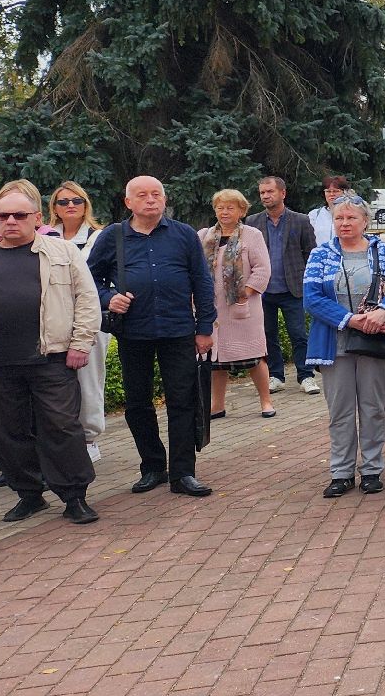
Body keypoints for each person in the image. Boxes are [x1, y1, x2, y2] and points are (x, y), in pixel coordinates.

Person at [0, 181, 102, 524]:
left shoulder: (63, 253)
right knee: (9, 434)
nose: (9, 221)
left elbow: (87, 299)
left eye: (18, 215)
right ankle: (29, 494)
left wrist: (80, 342)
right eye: (2, 215)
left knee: (61, 428)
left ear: (37, 217)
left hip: (52, 358)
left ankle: (74, 497)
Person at [87, 175, 217, 497]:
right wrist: (108, 298)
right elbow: (89, 278)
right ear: (128, 202)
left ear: (164, 198)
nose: (150, 200)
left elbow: (202, 281)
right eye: (142, 195)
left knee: (183, 402)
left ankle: (183, 473)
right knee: (137, 404)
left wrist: (204, 328)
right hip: (133, 332)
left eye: (156, 194)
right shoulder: (112, 236)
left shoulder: (184, 234)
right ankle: (153, 467)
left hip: (178, 331)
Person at [303, 195, 385, 498]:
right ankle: (341, 472)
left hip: (373, 341)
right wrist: (350, 319)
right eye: (339, 219)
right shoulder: (321, 254)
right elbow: (312, 299)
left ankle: (372, 469)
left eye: (351, 218)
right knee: (340, 410)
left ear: (365, 221)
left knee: (373, 408)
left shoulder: (383, 251)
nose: (345, 224)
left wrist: (383, 310)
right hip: (334, 343)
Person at [44, 181, 108, 461]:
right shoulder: (45, 237)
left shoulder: (99, 236)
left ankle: (89, 437)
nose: (70, 206)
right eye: (63, 202)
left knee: (89, 379)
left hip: (88, 317)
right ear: (54, 208)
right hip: (54, 317)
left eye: (76, 201)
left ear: (85, 205)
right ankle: (62, 437)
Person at [198, 189, 273, 419]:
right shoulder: (204, 235)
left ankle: (266, 402)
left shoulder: (252, 235)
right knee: (216, 360)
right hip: (212, 309)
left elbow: (263, 269)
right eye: (220, 207)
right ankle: (217, 406)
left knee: (254, 357)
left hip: (243, 308)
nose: (224, 212)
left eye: (230, 207)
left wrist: (244, 293)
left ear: (241, 211)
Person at [249, 176, 321, 397]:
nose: (265, 196)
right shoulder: (252, 222)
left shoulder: (300, 220)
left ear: (282, 193)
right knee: (268, 334)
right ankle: (276, 375)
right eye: (262, 193)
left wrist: (310, 282)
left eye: (270, 192)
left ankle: (306, 375)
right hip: (263, 290)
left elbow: (311, 253)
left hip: (293, 288)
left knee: (299, 334)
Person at [309, 175, 349, 247]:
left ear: (344, 192)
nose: (331, 194)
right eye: (328, 191)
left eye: (336, 191)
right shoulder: (315, 215)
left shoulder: (350, 213)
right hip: (321, 256)